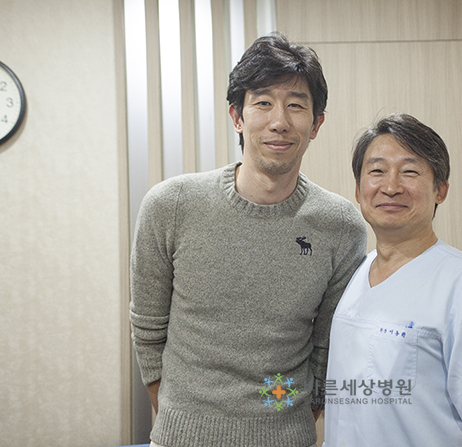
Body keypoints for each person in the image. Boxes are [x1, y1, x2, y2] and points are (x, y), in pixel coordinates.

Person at [130, 33, 367, 447]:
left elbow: (327, 349)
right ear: (237, 117)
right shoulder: (171, 205)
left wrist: (283, 421)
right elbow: (148, 330)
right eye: (263, 103)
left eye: (296, 105)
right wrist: (181, 416)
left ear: (316, 124)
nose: (280, 121)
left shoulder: (340, 225)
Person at [323, 114, 462, 446]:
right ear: (359, 191)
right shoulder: (353, 273)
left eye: (409, 172)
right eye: (377, 171)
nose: (391, 187)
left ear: (440, 190)